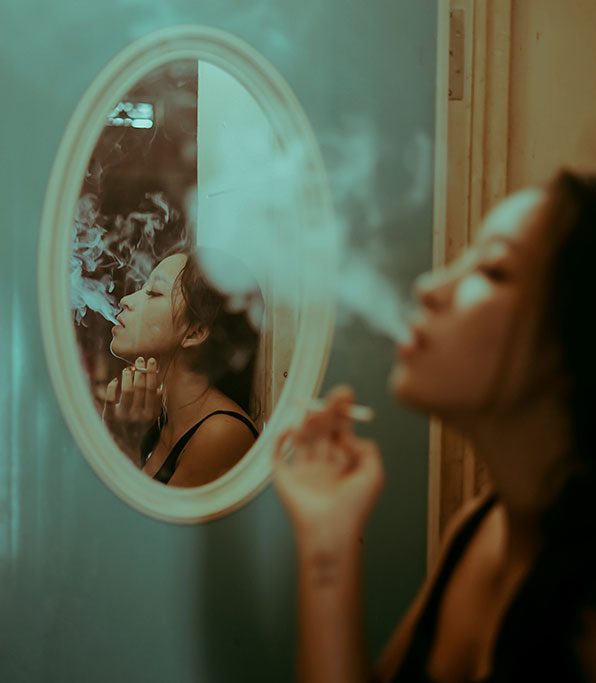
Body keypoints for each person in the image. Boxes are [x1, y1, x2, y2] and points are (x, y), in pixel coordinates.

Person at [273, 170, 596, 682]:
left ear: (571, 347)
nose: (428, 286)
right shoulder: (476, 530)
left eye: (493, 270)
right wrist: (327, 533)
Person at [104, 248, 263, 487]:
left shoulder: (221, 434)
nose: (126, 300)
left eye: (154, 292)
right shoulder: (158, 422)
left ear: (195, 332)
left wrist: (121, 445)